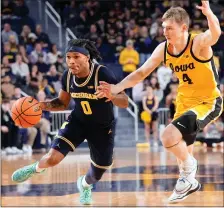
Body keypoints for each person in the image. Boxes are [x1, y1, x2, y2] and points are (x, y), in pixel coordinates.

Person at [96, 1, 223, 203]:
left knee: (167, 137)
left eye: (170, 28)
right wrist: (115, 88)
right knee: (182, 150)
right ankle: (186, 181)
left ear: (183, 28)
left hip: (207, 101)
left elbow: (215, 34)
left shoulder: (197, 43)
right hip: (184, 101)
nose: (165, 32)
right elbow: (141, 73)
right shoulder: (163, 49)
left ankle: (190, 169)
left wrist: (209, 14)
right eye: (163, 28)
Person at [11, 39, 128, 205]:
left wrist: (112, 96)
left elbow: (125, 102)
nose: (71, 61)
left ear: (87, 58)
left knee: (99, 171)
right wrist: (40, 106)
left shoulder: (102, 74)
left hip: (101, 127)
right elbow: (62, 103)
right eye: (68, 57)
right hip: (77, 122)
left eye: (76, 56)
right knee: (53, 158)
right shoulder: (68, 76)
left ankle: (84, 185)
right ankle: (35, 168)